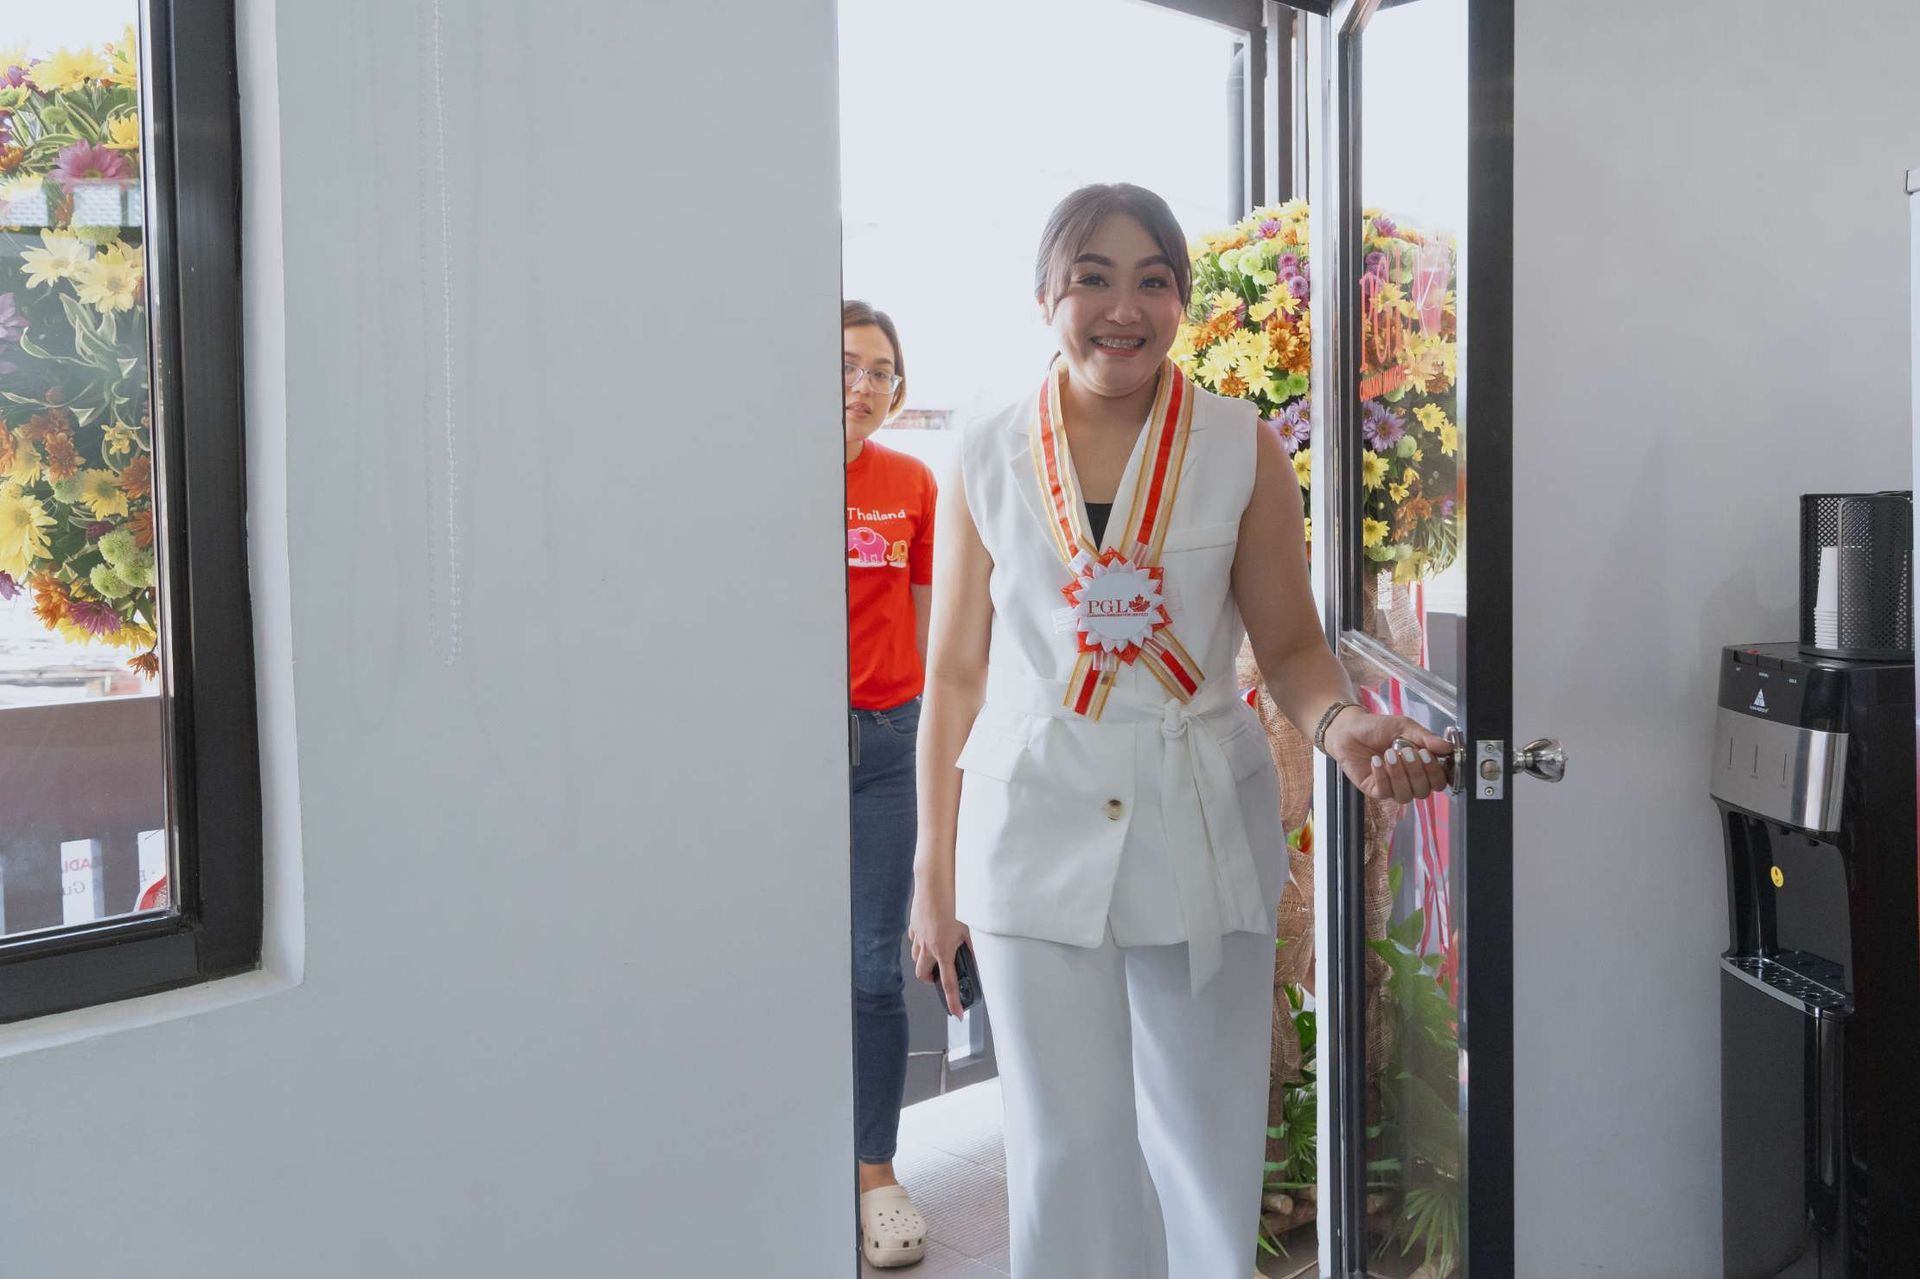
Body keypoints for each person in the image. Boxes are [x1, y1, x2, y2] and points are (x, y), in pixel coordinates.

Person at [906, 184, 1450, 1278]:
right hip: (1031, 823)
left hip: (1199, 814)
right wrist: (933, 871)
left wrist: (1341, 724)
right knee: (1064, 1148)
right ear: (1047, 297)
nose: (1124, 307)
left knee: (1206, 1138)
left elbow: (1290, 648)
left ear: (1181, 302)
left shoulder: (1242, 445)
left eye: (1152, 280)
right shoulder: (987, 451)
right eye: (1093, 278)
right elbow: (956, 673)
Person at [842, 299, 938, 1269]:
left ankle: (876, 1172)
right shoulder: (761, 479)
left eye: (879, 371)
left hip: (885, 744)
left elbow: (929, 629)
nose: (862, 386)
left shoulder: (911, 483)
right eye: (844, 365)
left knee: (873, 965)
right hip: (776, 760)